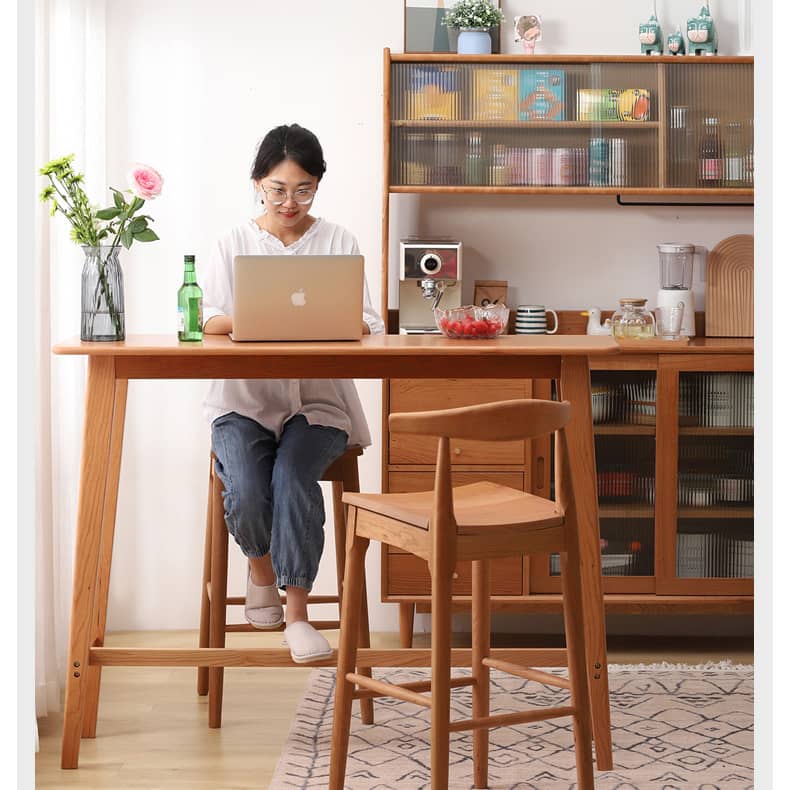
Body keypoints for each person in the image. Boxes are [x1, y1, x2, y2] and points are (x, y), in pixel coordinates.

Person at [202, 123, 385, 664]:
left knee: (291, 475)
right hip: (243, 402)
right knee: (246, 482)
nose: (290, 201)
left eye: (303, 189)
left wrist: (321, 319)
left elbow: (367, 321)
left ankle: (298, 614)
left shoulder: (338, 241)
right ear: (258, 182)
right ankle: (261, 570)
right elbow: (207, 318)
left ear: (318, 186)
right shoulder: (231, 243)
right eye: (278, 189)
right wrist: (258, 320)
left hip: (319, 404)